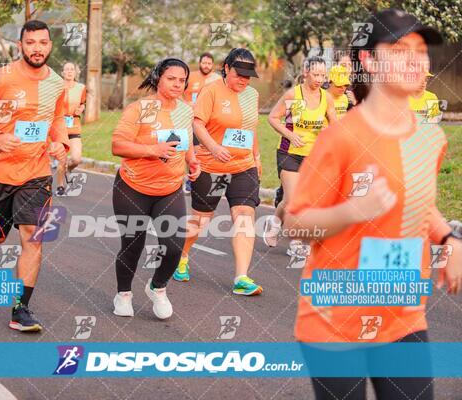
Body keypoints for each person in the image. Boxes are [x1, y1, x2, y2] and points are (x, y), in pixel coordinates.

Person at [283, 9, 461, 400]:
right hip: (335, 320)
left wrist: (448, 238)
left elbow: (416, 201)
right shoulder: (340, 138)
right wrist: (351, 212)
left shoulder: (430, 139)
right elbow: (295, 223)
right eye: (400, 49)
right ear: (369, 60)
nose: (417, 59)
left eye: (421, 49)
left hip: (403, 316)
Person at [0, 20, 69, 332]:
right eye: (30, 42)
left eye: (43, 42)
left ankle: (21, 308)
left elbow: (58, 117)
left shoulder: (57, 83)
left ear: (50, 46)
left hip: (36, 173)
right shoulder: (2, 77)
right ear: (21, 45)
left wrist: (60, 143)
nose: (37, 48)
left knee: (33, 239)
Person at [111, 57, 200, 319]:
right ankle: (123, 294)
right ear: (158, 77)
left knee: (174, 247)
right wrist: (152, 150)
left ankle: (157, 288)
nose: (177, 84)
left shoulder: (185, 110)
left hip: (170, 189)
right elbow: (118, 146)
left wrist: (192, 160)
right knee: (133, 245)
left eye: (181, 80)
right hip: (133, 188)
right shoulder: (144, 108)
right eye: (171, 78)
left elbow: (185, 141)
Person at [172, 48, 263, 296]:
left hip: (243, 166)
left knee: (244, 214)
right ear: (226, 69)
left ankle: (241, 277)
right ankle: (182, 255)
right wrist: (213, 147)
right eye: (238, 74)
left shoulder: (252, 95)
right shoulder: (211, 91)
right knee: (202, 220)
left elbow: (251, 128)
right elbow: (197, 123)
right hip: (211, 167)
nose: (243, 80)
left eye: (248, 76)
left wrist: (256, 157)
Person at [265, 56, 337, 247]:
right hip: (290, 153)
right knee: (291, 200)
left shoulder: (326, 98)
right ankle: (282, 230)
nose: (320, 79)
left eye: (323, 75)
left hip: (313, 156)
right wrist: (290, 135)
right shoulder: (293, 95)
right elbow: (273, 118)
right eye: (316, 74)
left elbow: (336, 127)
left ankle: (285, 230)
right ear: (306, 73)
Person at [183, 52, 221, 192]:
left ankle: (211, 182)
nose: (206, 66)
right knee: (193, 150)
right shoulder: (190, 77)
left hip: (211, 120)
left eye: (209, 63)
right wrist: (187, 104)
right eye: (204, 63)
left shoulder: (216, 79)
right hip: (192, 119)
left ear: (213, 65)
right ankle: (191, 180)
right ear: (200, 63)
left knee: (211, 150)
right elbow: (179, 94)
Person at [55, 62, 86, 197]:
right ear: (62, 73)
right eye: (66, 69)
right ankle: (61, 186)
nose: (69, 72)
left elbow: (82, 103)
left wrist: (81, 109)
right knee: (62, 159)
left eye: (72, 69)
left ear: (75, 72)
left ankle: (67, 169)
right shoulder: (56, 87)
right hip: (60, 128)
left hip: (74, 127)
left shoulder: (81, 88)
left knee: (76, 158)